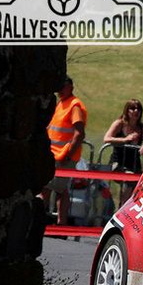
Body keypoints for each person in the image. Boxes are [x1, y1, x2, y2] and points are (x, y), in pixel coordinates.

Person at [42, 76, 88, 226]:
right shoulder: (62, 103)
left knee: (53, 188)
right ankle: (52, 221)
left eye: (64, 86)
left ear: (71, 87)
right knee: (56, 188)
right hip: (55, 154)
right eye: (59, 87)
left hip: (63, 156)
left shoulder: (74, 105)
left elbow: (79, 133)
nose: (60, 90)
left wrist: (67, 155)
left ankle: (55, 223)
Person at [103, 99, 143, 205]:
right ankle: (122, 208)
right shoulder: (119, 124)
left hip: (135, 165)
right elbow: (107, 138)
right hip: (118, 164)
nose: (136, 111)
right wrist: (125, 140)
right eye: (132, 108)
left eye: (138, 109)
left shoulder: (142, 127)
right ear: (127, 110)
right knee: (130, 180)